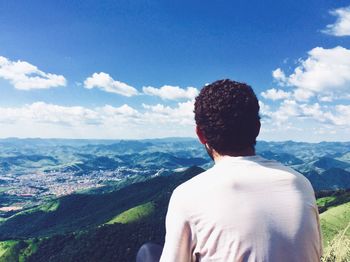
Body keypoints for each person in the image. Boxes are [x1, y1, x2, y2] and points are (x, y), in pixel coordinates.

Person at [138, 79, 322, 262]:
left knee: (147, 253)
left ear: (200, 135)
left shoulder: (187, 196)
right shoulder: (301, 183)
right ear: (257, 129)